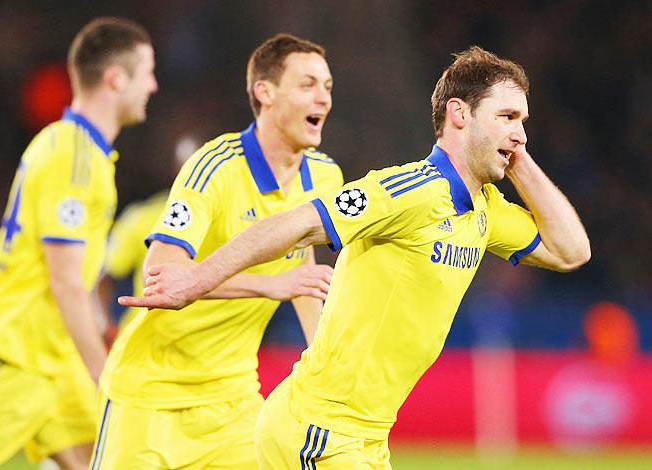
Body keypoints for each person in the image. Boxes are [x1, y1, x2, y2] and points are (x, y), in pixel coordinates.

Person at [122, 46, 591, 468]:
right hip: (319, 429)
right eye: (507, 117)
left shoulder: (488, 210)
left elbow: (571, 252)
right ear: (459, 114)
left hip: (366, 437)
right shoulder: (410, 190)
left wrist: (519, 158)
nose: (520, 132)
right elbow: (300, 222)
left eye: (523, 121)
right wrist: (198, 278)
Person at [92, 34, 343, 469]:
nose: (323, 97)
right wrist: (271, 285)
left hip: (233, 400)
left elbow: (302, 271)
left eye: (327, 87)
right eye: (307, 85)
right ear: (265, 92)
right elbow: (162, 271)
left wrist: (322, 362)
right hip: (150, 395)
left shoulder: (326, 178)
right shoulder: (216, 165)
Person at [0, 17, 157, 470]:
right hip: (19, 357)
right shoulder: (73, 158)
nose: (154, 85)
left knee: (109, 460)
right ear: (116, 78)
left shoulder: (76, 151)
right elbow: (64, 281)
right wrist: (104, 370)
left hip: (56, 361)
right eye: (147, 72)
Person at [96, 134, 200, 340]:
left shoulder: (229, 222)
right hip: (143, 341)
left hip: (199, 346)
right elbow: (103, 277)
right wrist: (105, 325)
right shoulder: (141, 218)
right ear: (175, 170)